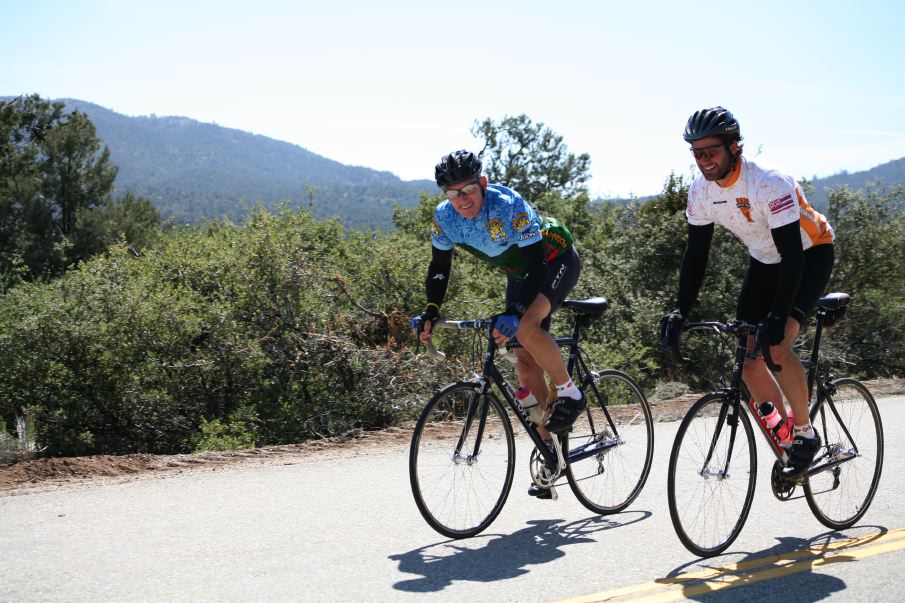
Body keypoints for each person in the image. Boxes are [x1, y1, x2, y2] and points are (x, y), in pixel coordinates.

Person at [659, 107, 835, 482]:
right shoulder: (701, 193)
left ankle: (805, 433)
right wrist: (680, 310)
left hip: (808, 253)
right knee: (749, 357)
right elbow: (696, 256)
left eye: (711, 152)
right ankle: (787, 442)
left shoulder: (768, 182)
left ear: (733, 147)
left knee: (777, 344)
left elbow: (792, 256)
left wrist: (780, 314)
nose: (704, 160)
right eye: (696, 153)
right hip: (765, 261)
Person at [412, 149, 584, 498]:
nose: (462, 199)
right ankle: (551, 456)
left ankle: (570, 392)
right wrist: (431, 309)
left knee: (523, 326)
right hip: (520, 272)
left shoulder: (508, 205)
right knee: (523, 362)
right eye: (453, 193)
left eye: (468, 190)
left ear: (483, 184)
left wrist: (517, 310)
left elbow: (537, 263)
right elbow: (439, 267)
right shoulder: (444, 218)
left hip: (553, 260)